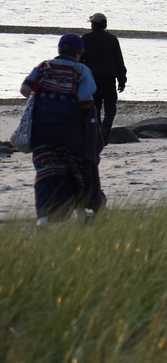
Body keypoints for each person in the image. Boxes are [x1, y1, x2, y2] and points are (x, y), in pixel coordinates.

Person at [21, 33, 102, 223]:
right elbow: (84, 101)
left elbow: (25, 90)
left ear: (59, 50)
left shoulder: (42, 66)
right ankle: (82, 213)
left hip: (42, 128)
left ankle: (43, 218)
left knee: (46, 168)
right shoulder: (81, 70)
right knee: (77, 168)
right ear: (79, 53)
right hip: (69, 130)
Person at [81, 12, 127, 141]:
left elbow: (80, 59)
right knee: (110, 108)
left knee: (95, 109)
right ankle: (105, 129)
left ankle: (98, 133)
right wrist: (122, 80)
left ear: (93, 25)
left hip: (92, 81)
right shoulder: (112, 39)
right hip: (109, 80)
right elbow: (119, 61)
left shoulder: (85, 39)